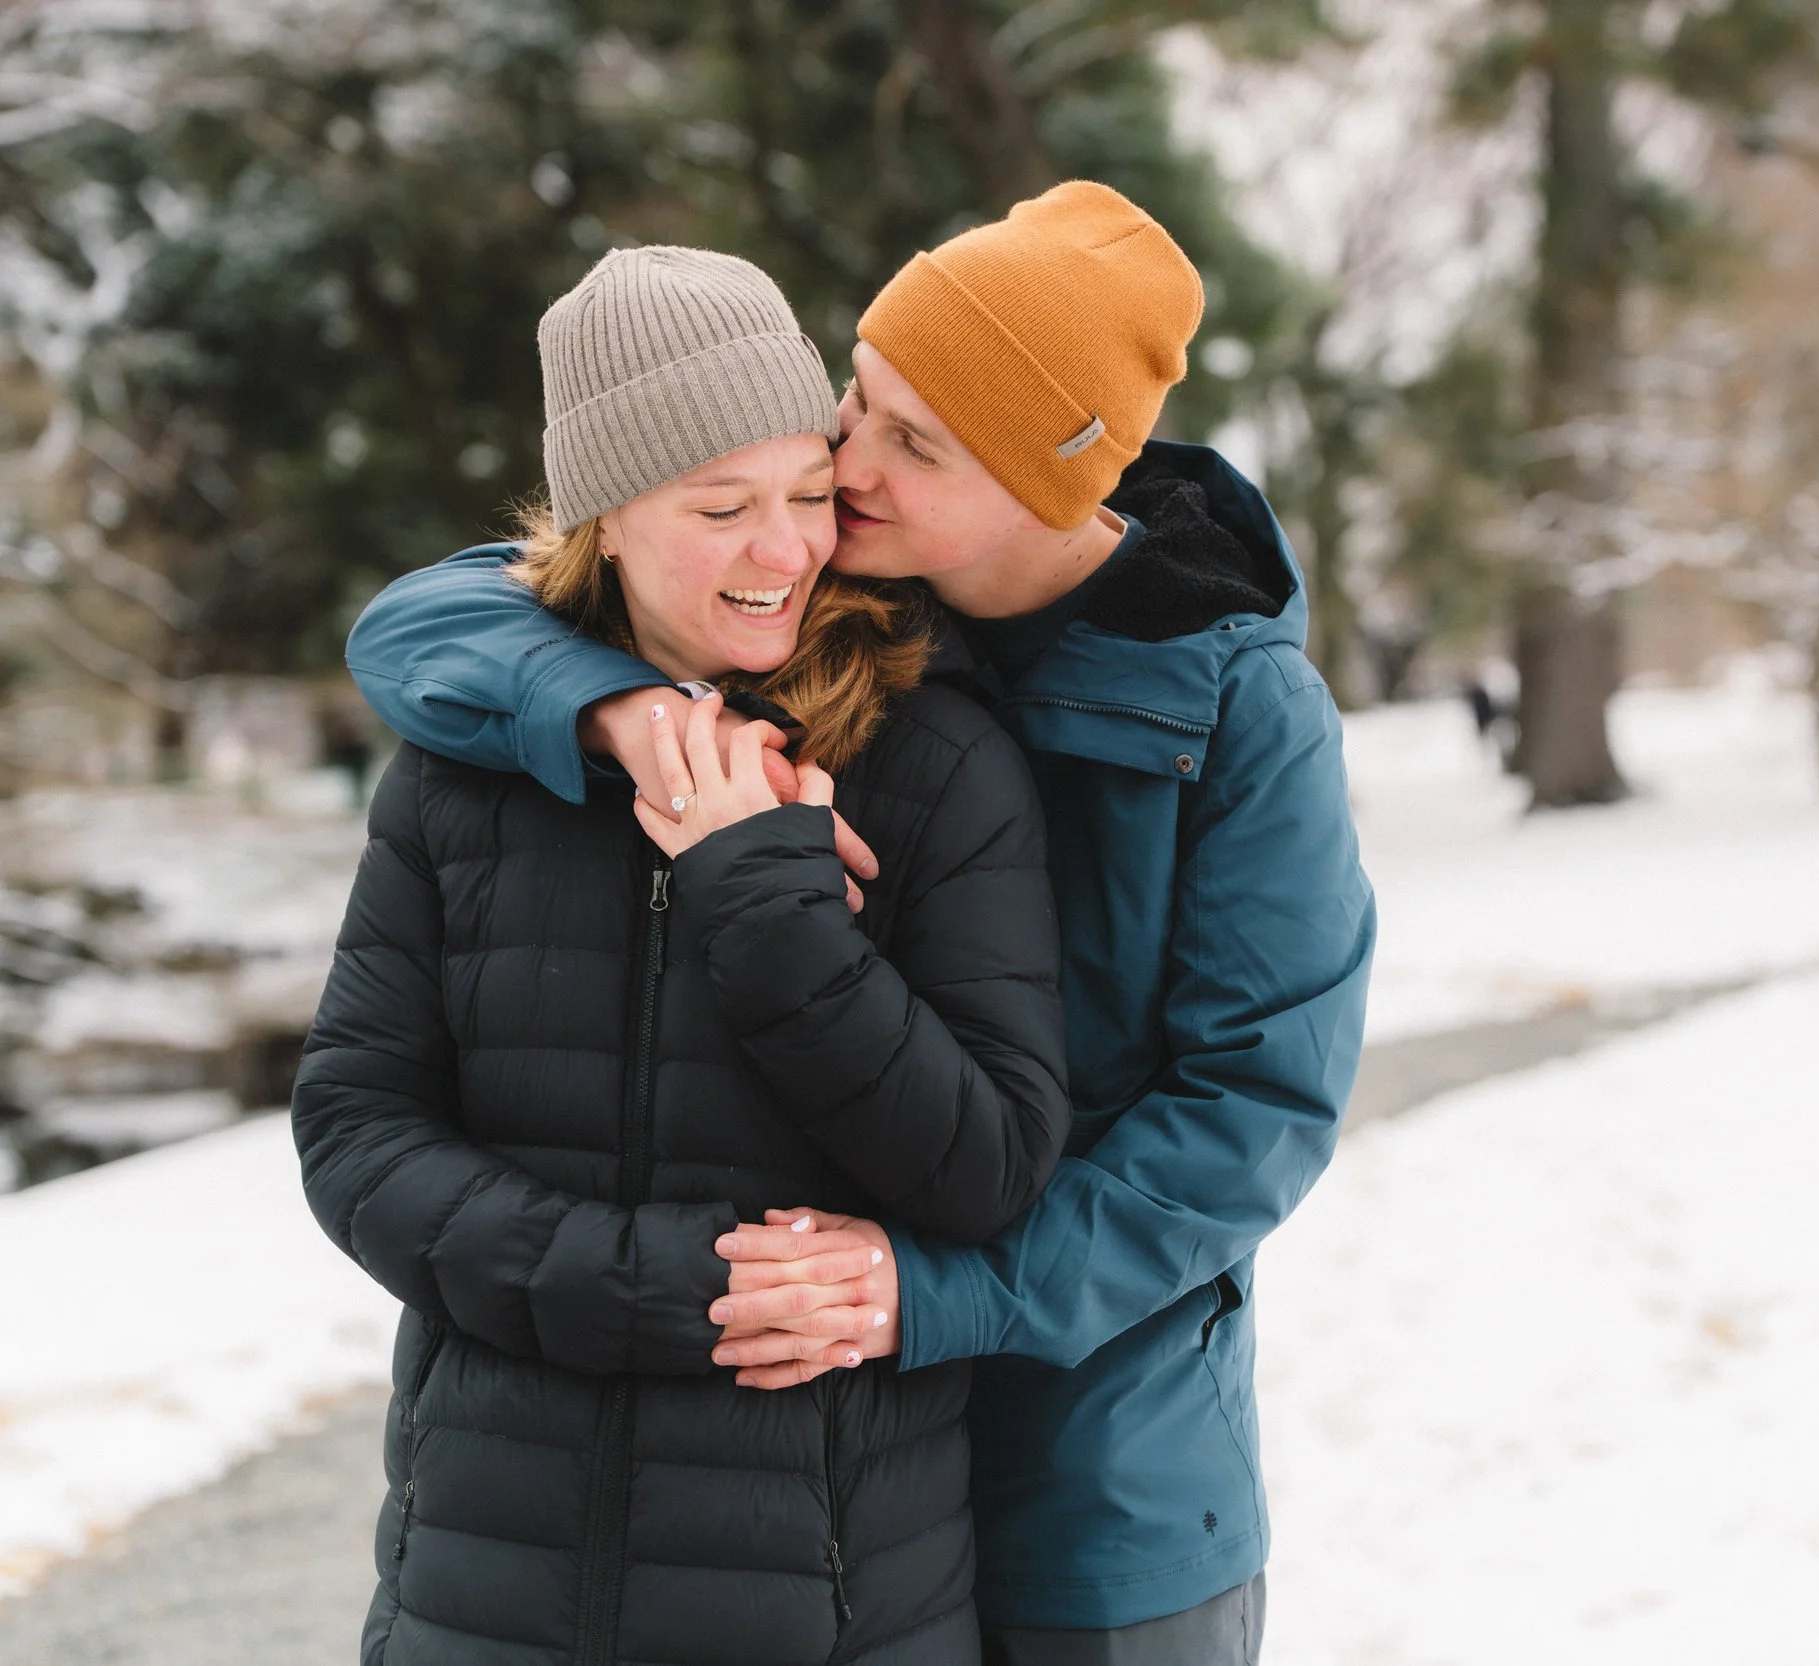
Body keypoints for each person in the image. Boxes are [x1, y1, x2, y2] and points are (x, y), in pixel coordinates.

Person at [346, 183, 1376, 1665]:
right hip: (828, 1442)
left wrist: (933, 1293)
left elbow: (1254, 1114)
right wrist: (620, 710)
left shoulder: (1233, 707)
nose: (846, 461)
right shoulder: (825, 612)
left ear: (1050, 480)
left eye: (916, 443)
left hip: (1086, 1463)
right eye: (860, 400)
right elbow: (430, 615)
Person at [295, 245, 1071, 1666]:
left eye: (804, 493)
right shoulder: (468, 770)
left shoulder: (936, 761)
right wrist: (661, 1283)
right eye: (722, 507)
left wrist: (763, 899)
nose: (784, 549)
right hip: (481, 1588)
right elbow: (354, 1131)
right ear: (604, 517)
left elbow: (987, 1163)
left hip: (830, 1605)